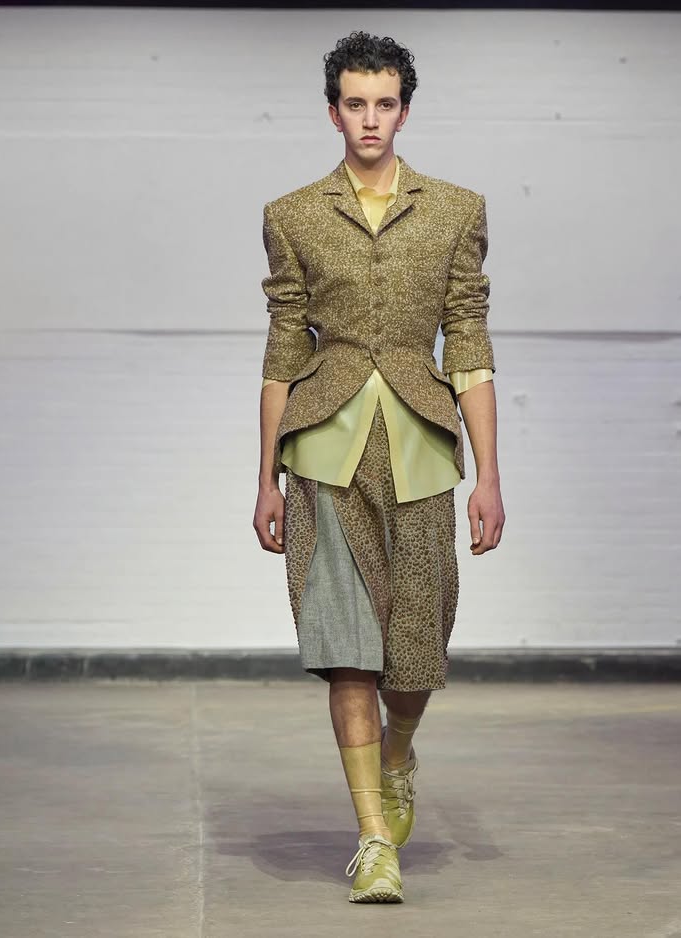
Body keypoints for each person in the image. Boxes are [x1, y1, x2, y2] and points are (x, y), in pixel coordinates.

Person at [253, 30, 505, 904]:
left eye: (384, 104)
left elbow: (468, 342)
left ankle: (399, 753)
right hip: (322, 450)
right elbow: (284, 350)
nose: (370, 119)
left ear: (404, 110)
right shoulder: (292, 214)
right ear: (334, 113)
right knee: (346, 650)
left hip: (422, 446)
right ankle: (373, 841)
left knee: (415, 656)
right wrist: (263, 478)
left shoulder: (455, 210)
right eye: (355, 104)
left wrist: (490, 476)